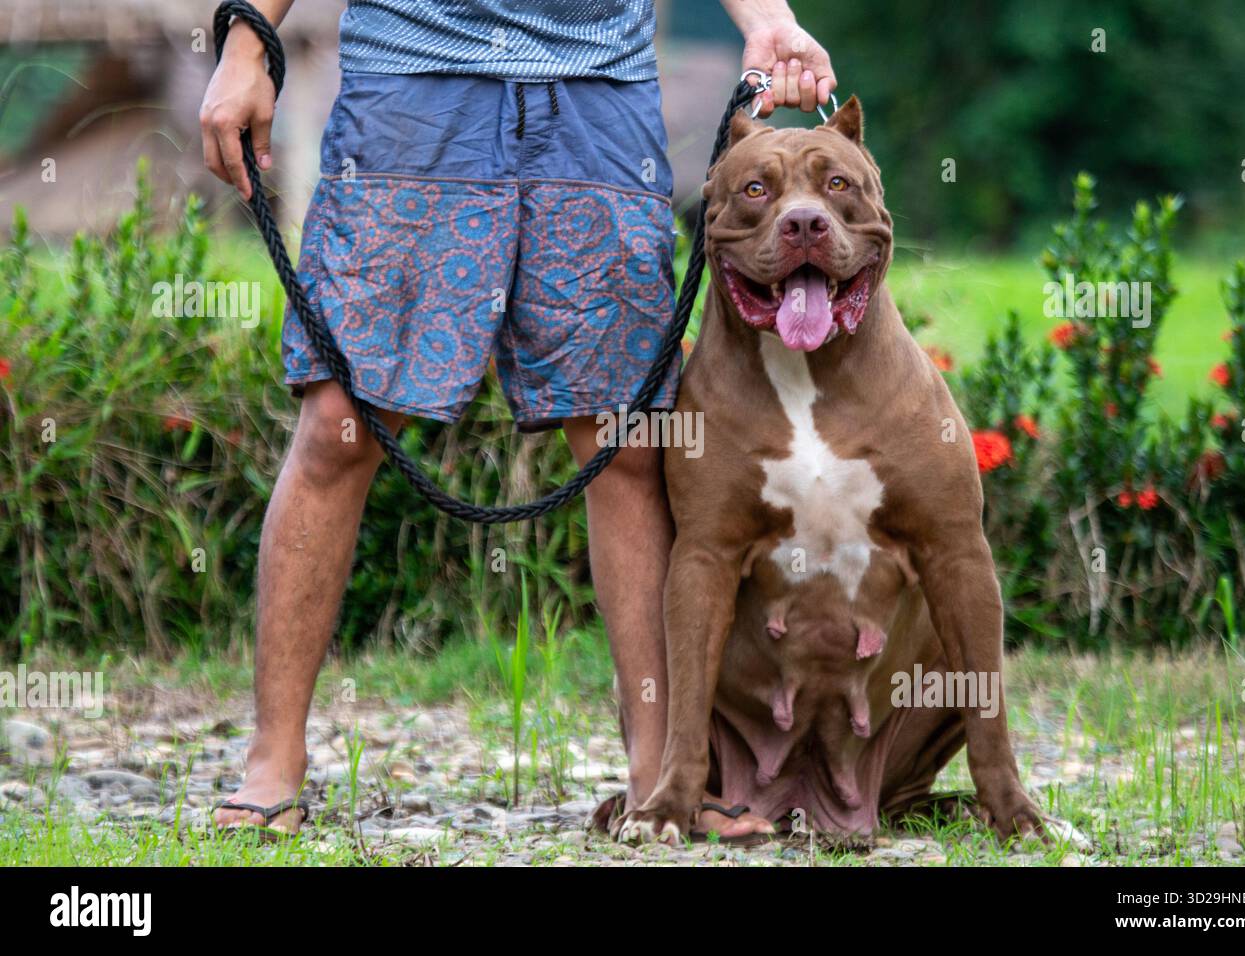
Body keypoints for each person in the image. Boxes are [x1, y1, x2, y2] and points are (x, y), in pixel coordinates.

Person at [201, 0, 835, 839]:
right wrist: (247, 42)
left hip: (599, 89)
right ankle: (272, 764)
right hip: (412, 81)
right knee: (337, 426)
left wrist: (768, 20)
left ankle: (663, 778)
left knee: (630, 441)